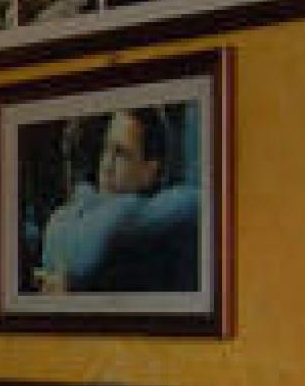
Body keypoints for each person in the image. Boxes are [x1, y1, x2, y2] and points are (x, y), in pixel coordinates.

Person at [34, 104, 203, 295]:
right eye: (107, 149)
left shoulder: (135, 223)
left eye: (121, 153)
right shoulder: (78, 215)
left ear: (150, 171)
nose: (107, 165)